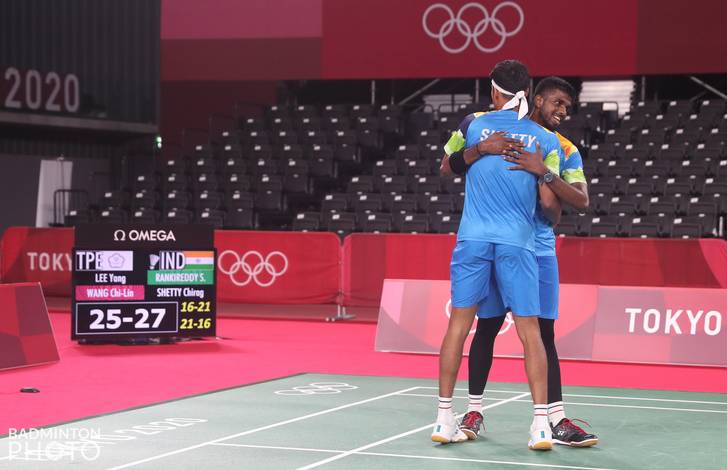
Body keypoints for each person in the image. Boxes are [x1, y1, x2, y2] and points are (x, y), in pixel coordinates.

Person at [457, 77, 598, 447]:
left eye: (568, 106)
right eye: (558, 103)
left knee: (544, 334)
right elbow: (462, 166)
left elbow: (581, 200)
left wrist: (544, 172)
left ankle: (556, 420)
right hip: (495, 245)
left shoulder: (564, 148)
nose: (563, 111)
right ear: (536, 99)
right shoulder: (496, 129)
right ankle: (473, 410)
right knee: (486, 327)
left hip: (538, 249)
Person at [431, 60, 564, 451]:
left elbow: (444, 167)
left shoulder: (471, 124)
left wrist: (479, 150)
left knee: (459, 326)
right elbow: (550, 209)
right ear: (529, 92)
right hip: (518, 244)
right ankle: (541, 425)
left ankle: (443, 417)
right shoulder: (546, 139)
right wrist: (540, 173)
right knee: (530, 331)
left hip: (472, 240)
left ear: (494, 91)